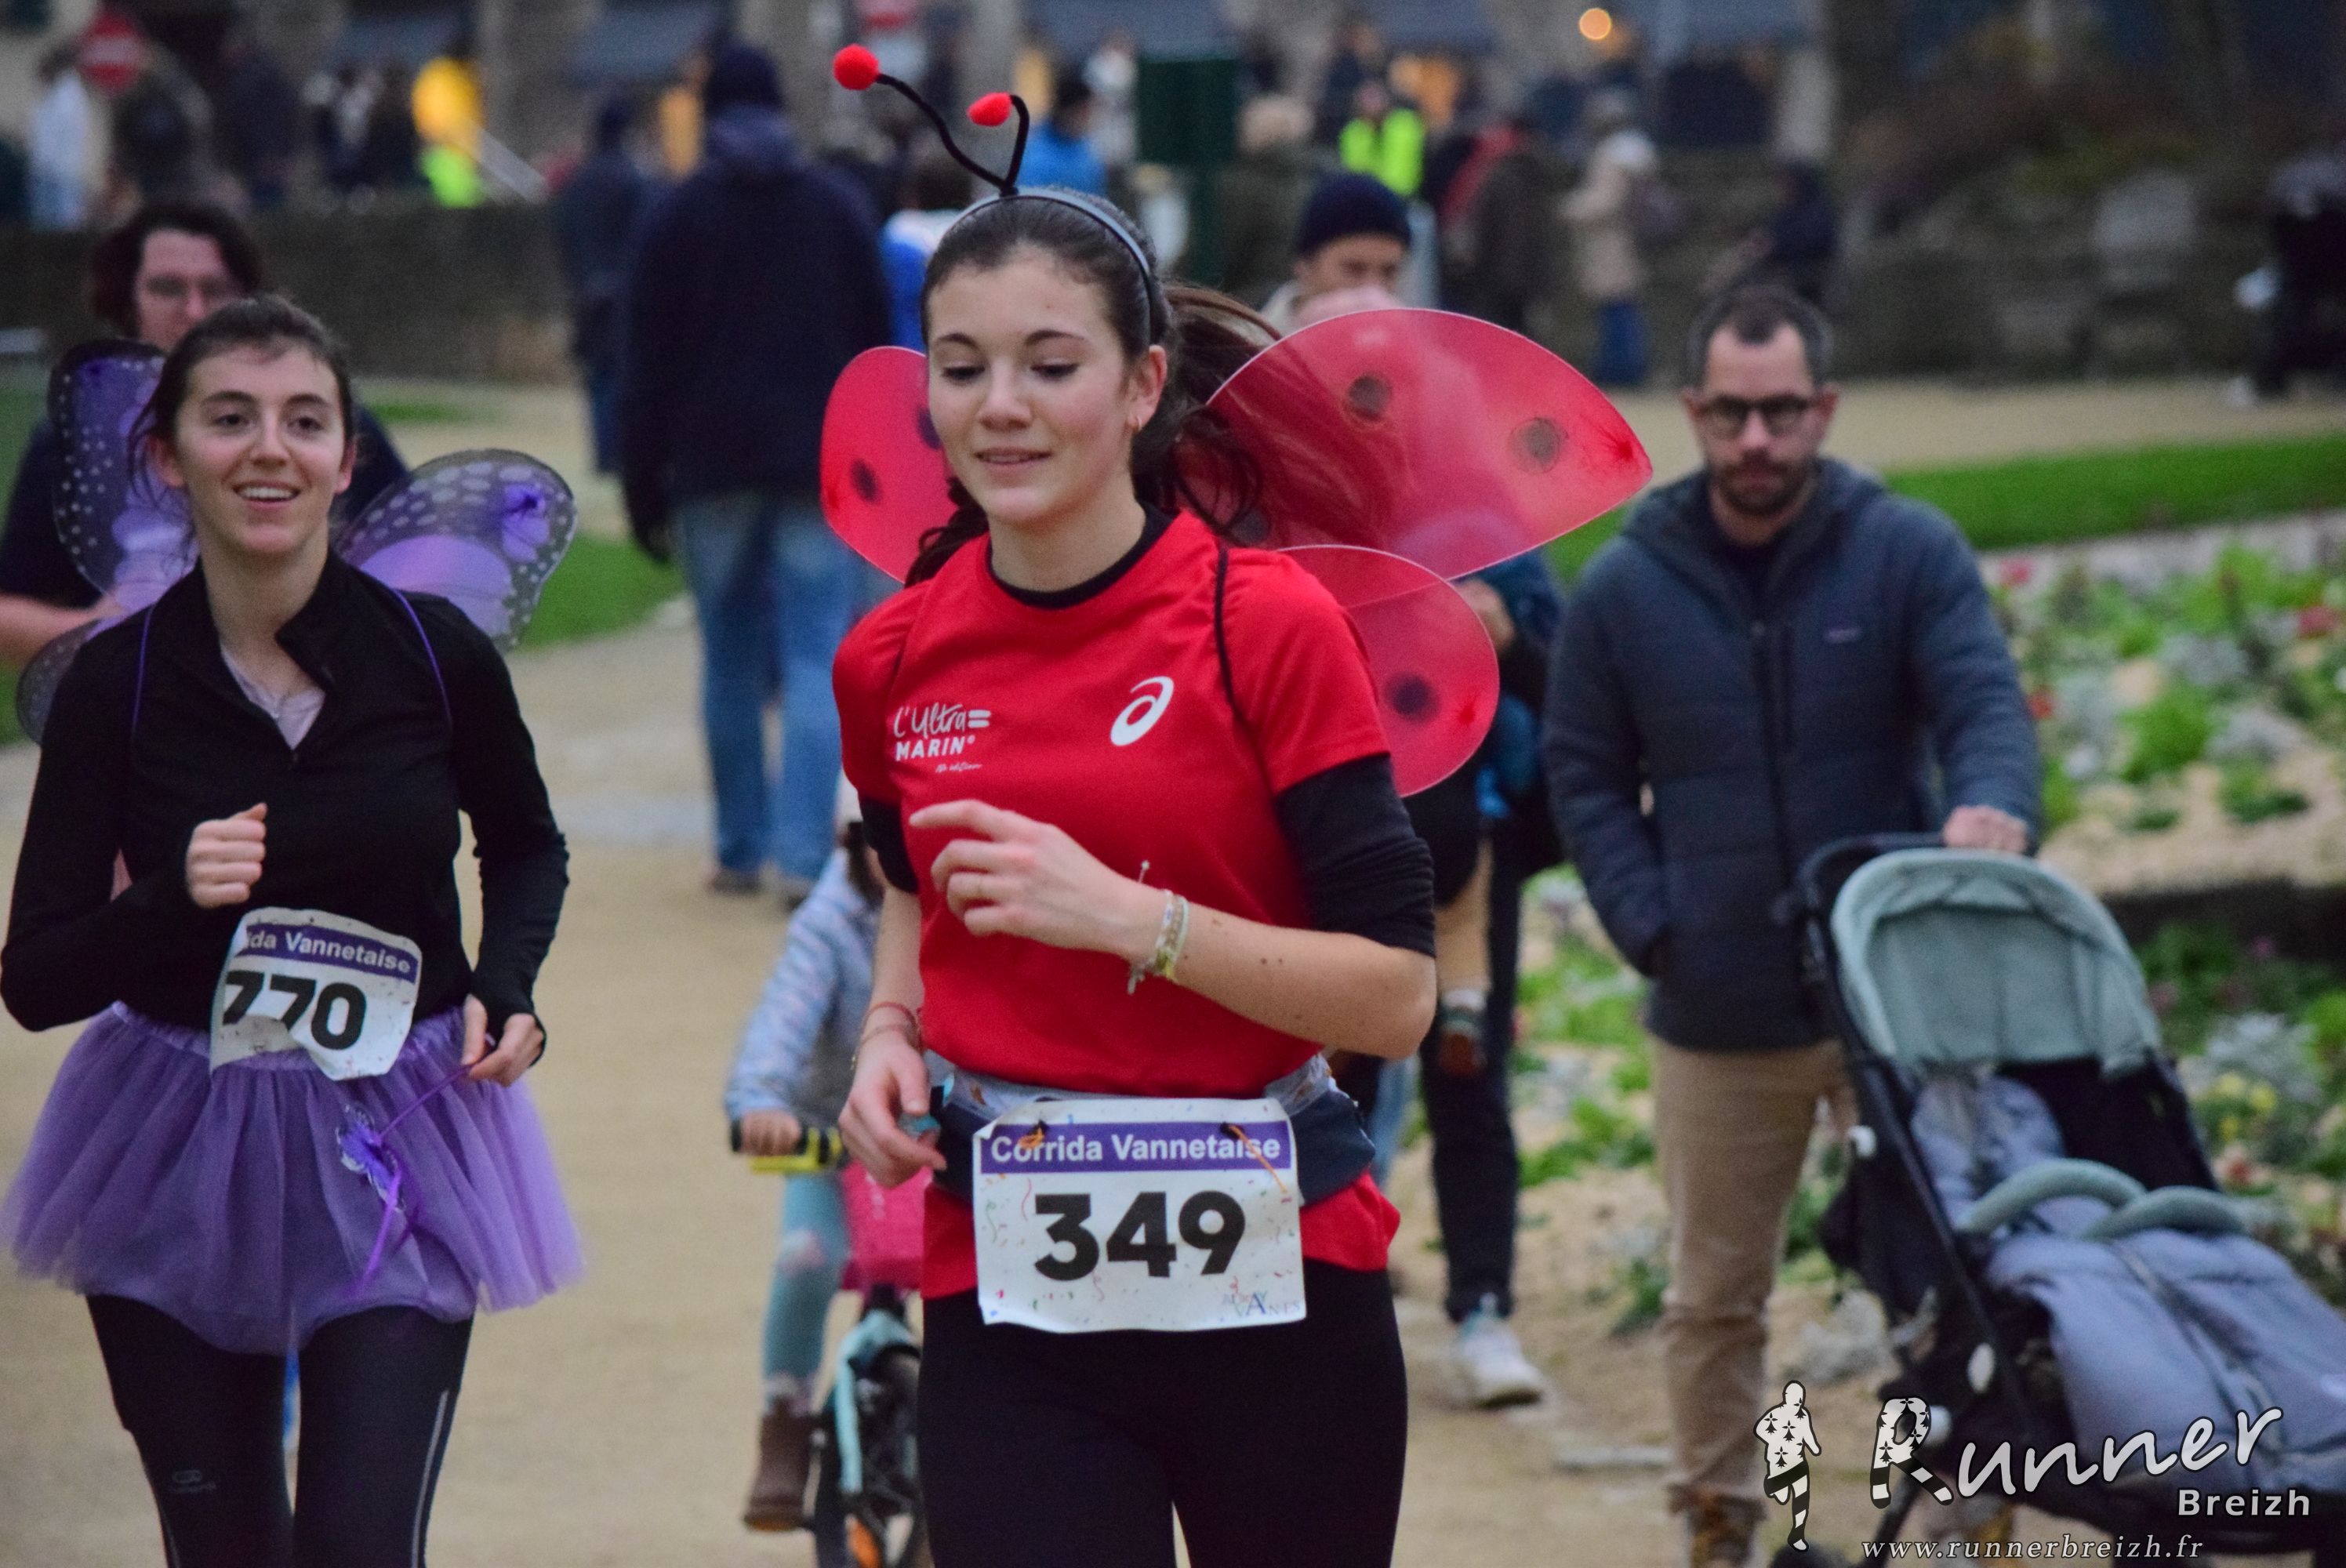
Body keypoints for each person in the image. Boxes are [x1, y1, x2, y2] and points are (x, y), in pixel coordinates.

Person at [830, 183, 1434, 1564]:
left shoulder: (1264, 622)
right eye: (962, 368)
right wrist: (887, 1031)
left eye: (1051, 366)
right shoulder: (890, 658)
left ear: (1143, 384)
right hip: (1012, 1300)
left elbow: (1396, 998)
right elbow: (912, 885)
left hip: (1283, 1289)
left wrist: (1132, 921)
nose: (1001, 407)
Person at [0, 296, 577, 1567]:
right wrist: (167, 898)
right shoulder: (117, 684)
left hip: (399, 1140)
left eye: (304, 421)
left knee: (360, 1548)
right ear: (168, 455)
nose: (270, 448)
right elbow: (34, 978)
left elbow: (527, 842)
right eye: (231, 418)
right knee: (226, 1548)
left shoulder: (433, 658)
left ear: (346, 456)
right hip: (172, 1141)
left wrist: (507, 982)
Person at [1542, 285, 2040, 1567]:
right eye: (1731, 414)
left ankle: (1959, 1520)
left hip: (1896, 994)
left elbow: (1983, 701)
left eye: (1780, 412)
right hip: (1718, 999)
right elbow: (1582, 770)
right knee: (1714, 1295)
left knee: (1950, 1273)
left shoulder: (1905, 550)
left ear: (1823, 408)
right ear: (1692, 410)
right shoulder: (1627, 586)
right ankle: (1723, 1521)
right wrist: (1652, 921)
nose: (1755, 439)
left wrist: (1991, 804)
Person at [615, 43, 890, 905]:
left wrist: (642, 484)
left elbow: (643, 364)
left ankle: (739, 848)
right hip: (816, 464)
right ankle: (804, 859)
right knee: (815, 655)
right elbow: (874, 347)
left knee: (729, 658)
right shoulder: (835, 208)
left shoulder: (674, 215)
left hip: (710, 467)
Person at [0, 202, 409, 669]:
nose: (193, 310)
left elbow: (427, 566)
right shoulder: (78, 441)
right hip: (138, 698)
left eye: (214, 290)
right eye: (168, 288)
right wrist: (101, 632)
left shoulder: (320, 434)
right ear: (128, 302)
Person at [724, 795, 886, 1531]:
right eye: (877, 835)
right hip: (834, 1140)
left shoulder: (969, 906)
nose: (897, 854)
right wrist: (763, 1100)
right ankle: (784, 1424)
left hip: (942, 1144)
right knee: (806, 1258)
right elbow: (782, 1020)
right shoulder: (829, 922)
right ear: (848, 842)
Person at [554, 98, 654, 474]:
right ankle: (617, 452)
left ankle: (603, 452)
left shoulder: (579, 183)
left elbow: (564, 236)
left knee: (597, 376)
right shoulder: (635, 181)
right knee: (622, 375)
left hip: (587, 292)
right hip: (625, 294)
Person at [1563, 89, 1660, 388]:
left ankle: (1620, 368)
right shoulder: (1637, 151)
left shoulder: (1614, 156)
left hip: (1612, 242)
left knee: (1616, 308)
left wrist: (1570, 208)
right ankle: (1625, 365)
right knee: (1623, 305)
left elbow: (1605, 201)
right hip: (1627, 241)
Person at [1258, 171, 1410, 334]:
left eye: (1389, 272)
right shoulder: (1251, 343)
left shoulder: (1411, 341)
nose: (1373, 290)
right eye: (1354, 269)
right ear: (1305, 265)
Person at [1217, 96, 1319, 310]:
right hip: (1295, 298)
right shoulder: (1316, 178)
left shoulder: (1242, 186)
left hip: (1248, 302)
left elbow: (1221, 252)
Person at [883, 151, 975, 349]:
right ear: (969, 195)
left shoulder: (893, 242)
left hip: (903, 354)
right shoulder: (981, 243)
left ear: (912, 195)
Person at [216, 26, 302, 213]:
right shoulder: (259, 75)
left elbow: (261, 120)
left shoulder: (254, 79)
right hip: (262, 155)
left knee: (266, 205)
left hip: (264, 155)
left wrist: (272, 152)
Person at [29, 45, 95, 233]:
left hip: (58, 172)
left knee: (60, 225)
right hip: (54, 170)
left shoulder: (66, 96)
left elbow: (51, 137)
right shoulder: (59, 94)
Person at [1016, 67, 1108, 197]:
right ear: (1068, 111)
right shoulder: (1037, 160)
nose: (1089, 118)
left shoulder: (1087, 148)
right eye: (1084, 112)